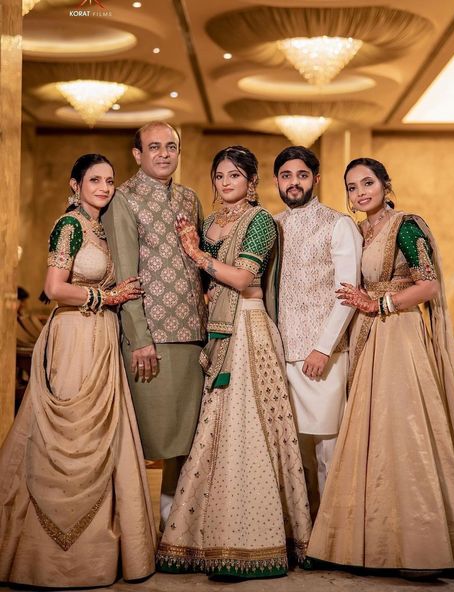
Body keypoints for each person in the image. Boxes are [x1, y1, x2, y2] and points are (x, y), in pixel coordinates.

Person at [306, 157, 454, 572]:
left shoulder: (406, 225)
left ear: (385, 185)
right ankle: (372, 542)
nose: (360, 192)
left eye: (368, 183)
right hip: (366, 337)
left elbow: (429, 284)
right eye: (351, 187)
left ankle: (422, 542)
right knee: (370, 434)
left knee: (404, 431)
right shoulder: (358, 231)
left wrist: (377, 303)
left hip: (398, 335)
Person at [0, 154, 156, 587]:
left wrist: (113, 299)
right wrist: (106, 298)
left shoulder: (101, 229)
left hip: (100, 337)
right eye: (95, 180)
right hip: (73, 336)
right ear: (75, 184)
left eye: (110, 180)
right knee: (69, 432)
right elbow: (54, 288)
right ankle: (44, 557)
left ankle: (99, 554)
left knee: (102, 432)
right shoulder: (68, 226)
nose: (105, 187)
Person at [156, 146, 312, 578]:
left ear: (252, 182)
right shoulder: (210, 223)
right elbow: (209, 282)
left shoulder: (260, 221)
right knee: (216, 430)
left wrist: (197, 254)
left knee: (248, 428)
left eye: (235, 176)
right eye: (219, 176)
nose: (226, 183)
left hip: (248, 328)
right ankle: (209, 536)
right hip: (218, 330)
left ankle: (255, 540)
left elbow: (244, 278)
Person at [102, 122, 207, 525]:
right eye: (155, 147)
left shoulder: (188, 197)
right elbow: (125, 274)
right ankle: (132, 528)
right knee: (148, 438)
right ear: (137, 154)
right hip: (152, 338)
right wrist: (140, 339)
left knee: (188, 442)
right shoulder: (124, 199)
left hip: (192, 337)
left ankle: (175, 527)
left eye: (171, 147)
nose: (164, 154)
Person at [273, 146, 362, 517]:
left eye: (302, 175)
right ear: (277, 181)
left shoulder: (337, 223)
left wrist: (323, 348)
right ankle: (302, 530)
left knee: (329, 448)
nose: (294, 183)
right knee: (293, 452)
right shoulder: (272, 224)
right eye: (286, 176)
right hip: (280, 353)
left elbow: (347, 294)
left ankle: (332, 532)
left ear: (316, 179)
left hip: (322, 356)